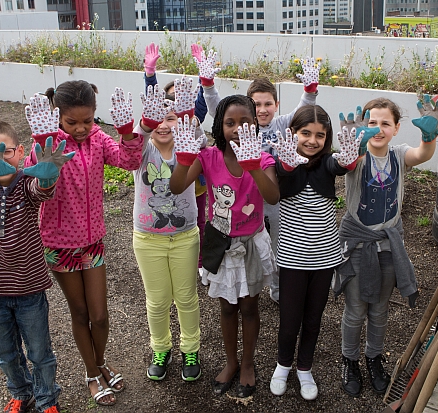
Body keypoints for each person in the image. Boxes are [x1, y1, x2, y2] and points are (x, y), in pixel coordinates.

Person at [24, 81, 145, 406]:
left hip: (92, 243)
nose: (80, 128)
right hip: (59, 245)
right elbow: (35, 175)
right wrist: (44, 143)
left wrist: (128, 132)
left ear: (94, 117)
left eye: (87, 121)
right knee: (79, 312)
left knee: (100, 315)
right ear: (58, 117)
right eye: (71, 122)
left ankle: (101, 361)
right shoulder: (49, 142)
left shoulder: (97, 139)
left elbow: (128, 161)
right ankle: (92, 373)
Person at [334, 95, 438, 397]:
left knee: (380, 310)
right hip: (358, 246)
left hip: (387, 246)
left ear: (397, 128)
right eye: (372, 122)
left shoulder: (398, 155)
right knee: (356, 310)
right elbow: (344, 164)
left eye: (386, 123)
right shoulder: (358, 158)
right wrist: (353, 144)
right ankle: (349, 359)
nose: (378, 128)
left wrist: (429, 136)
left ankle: (373, 357)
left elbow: (422, 154)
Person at [170, 95, 279, 399]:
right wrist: (184, 158)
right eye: (230, 122)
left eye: (245, 121)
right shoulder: (208, 157)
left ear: (254, 125)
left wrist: (253, 165)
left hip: (252, 243)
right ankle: (231, 363)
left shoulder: (264, 159)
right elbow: (178, 187)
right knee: (227, 307)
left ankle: (247, 363)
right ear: (219, 126)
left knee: (249, 306)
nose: (236, 128)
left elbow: (272, 197)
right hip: (220, 243)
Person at [0, 121, 73, 413]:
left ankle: (47, 398)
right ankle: (20, 393)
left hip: (28, 287)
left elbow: (41, 192)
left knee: (40, 352)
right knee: (7, 354)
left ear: (21, 152)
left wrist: (48, 179)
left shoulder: (25, 182)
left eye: (5, 151)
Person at [195, 49, 319, 303]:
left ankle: (275, 286)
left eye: (268, 104)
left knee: (275, 240)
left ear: (276, 105)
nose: (263, 110)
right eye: (257, 104)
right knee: (244, 234)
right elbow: (219, 109)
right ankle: (238, 282)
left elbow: (303, 110)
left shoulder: (282, 123)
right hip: (242, 195)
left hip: (273, 193)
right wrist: (208, 86)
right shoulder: (240, 124)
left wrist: (309, 91)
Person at [268, 106, 362, 401]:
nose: (312, 140)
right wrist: (286, 160)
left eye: (320, 135)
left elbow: (342, 165)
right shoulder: (283, 162)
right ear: (292, 133)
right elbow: (282, 170)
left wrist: (348, 157)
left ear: (327, 138)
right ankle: (283, 365)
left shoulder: (327, 162)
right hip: (293, 259)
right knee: (289, 318)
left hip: (324, 259)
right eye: (305, 133)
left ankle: (304, 368)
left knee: (313, 318)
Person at [131, 77, 204, 382]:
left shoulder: (189, 147)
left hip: (185, 235)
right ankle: (161, 348)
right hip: (148, 238)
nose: (164, 124)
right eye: (157, 118)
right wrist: (148, 75)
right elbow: (134, 138)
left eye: (171, 118)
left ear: (180, 122)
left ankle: (191, 348)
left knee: (186, 298)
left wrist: (190, 114)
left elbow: (199, 135)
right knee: (157, 300)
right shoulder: (140, 152)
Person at [143, 43, 210, 278]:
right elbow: (154, 105)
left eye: (183, 97)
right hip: (164, 182)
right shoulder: (163, 123)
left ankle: (199, 262)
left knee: (199, 221)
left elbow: (201, 100)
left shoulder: (191, 119)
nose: (179, 98)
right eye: (173, 93)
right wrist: (150, 75)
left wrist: (204, 73)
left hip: (195, 185)